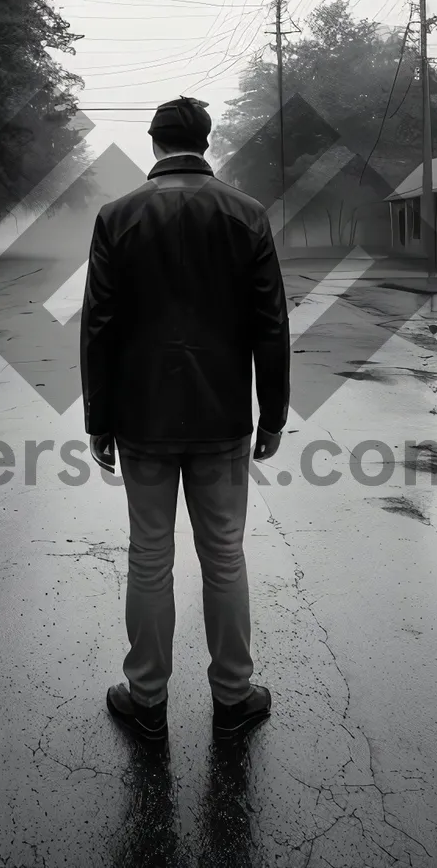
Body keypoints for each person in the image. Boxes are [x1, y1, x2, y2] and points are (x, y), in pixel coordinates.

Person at [80, 95, 290, 743]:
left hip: (142, 419)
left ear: (153, 145)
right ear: (206, 141)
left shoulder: (117, 217)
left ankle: (146, 700)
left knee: (149, 556)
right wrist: (273, 413)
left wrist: (99, 419)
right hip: (223, 417)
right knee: (224, 553)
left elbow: (99, 327)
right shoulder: (246, 214)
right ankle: (233, 697)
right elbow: (271, 324)